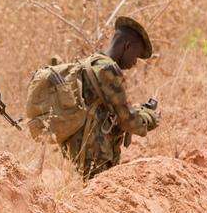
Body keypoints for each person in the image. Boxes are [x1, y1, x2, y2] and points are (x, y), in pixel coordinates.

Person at [62, 16, 160, 179]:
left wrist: (139, 110)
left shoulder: (93, 62)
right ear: (127, 46)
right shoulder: (108, 69)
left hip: (83, 151)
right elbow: (127, 119)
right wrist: (150, 118)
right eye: (135, 56)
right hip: (96, 156)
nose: (135, 62)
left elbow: (110, 109)